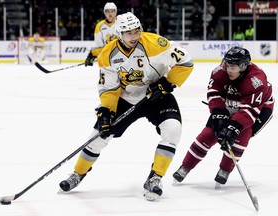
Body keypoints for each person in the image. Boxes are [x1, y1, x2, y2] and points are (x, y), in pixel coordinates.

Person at [60, 12, 194, 201]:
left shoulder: (156, 43)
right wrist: (106, 111)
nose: (134, 36)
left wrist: (167, 83)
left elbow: (186, 61)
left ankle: (155, 177)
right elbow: (109, 88)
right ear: (119, 33)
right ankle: (78, 173)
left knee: (173, 129)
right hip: (126, 98)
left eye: (136, 31)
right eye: (128, 33)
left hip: (156, 96)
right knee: (97, 136)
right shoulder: (107, 54)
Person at [173, 46, 274, 187]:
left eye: (233, 67)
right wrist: (218, 112)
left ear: (244, 66)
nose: (228, 69)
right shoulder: (219, 71)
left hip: (260, 109)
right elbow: (214, 93)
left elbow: (249, 110)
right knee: (207, 134)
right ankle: (185, 167)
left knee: (240, 136)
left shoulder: (256, 80)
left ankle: (224, 170)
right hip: (230, 103)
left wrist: (234, 127)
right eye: (228, 64)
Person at [85, 2, 118, 66]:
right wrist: (92, 54)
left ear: (115, 12)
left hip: (121, 58)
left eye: (112, 11)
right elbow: (98, 45)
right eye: (107, 11)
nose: (110, 13)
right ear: (104, 12)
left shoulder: (121, 23)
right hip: (105, 60)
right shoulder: (100, 26)